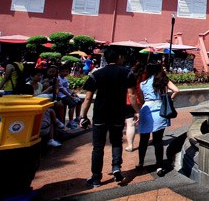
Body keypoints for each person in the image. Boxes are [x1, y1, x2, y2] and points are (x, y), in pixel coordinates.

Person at [80, 48, 139, 187]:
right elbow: (131, 95)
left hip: (100, 114)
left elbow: (88, 98)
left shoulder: (96, 74)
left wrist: (83, 116)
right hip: (118, 113)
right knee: (117, 142)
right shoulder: (127, 72)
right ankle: (116, 168)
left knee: (97, 147)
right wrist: (137, 111)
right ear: (119, 57)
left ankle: (96, 178)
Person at [137, 63, 179, 175]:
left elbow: (141, 100)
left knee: (144, 139)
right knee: (158, 140)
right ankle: (159, 166)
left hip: (146, 110)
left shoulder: (143, 83)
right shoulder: (163, 81)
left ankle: (140, 163)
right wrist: (170, 99)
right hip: (160, 110)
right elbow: (176, 90)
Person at [125, 62, 144, 152]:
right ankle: (143, 143)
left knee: (130, 124)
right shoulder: (144, 77)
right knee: (141, 124)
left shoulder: (129, 76)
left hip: (127, 102)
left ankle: (130, 145)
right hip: (138, 102)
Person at [57, 64, 83, 128]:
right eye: (63, 71)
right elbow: (62, 89)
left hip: (67, 94)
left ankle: (77, 117)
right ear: (59, 72)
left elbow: (67, 88)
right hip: (61, 96)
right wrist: (70, 96)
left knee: (79, 101)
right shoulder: (58, 79)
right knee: (72, 104)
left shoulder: (65, 79)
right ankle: (71, 121)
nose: (65, 73)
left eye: (66, 71)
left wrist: (73, 94)